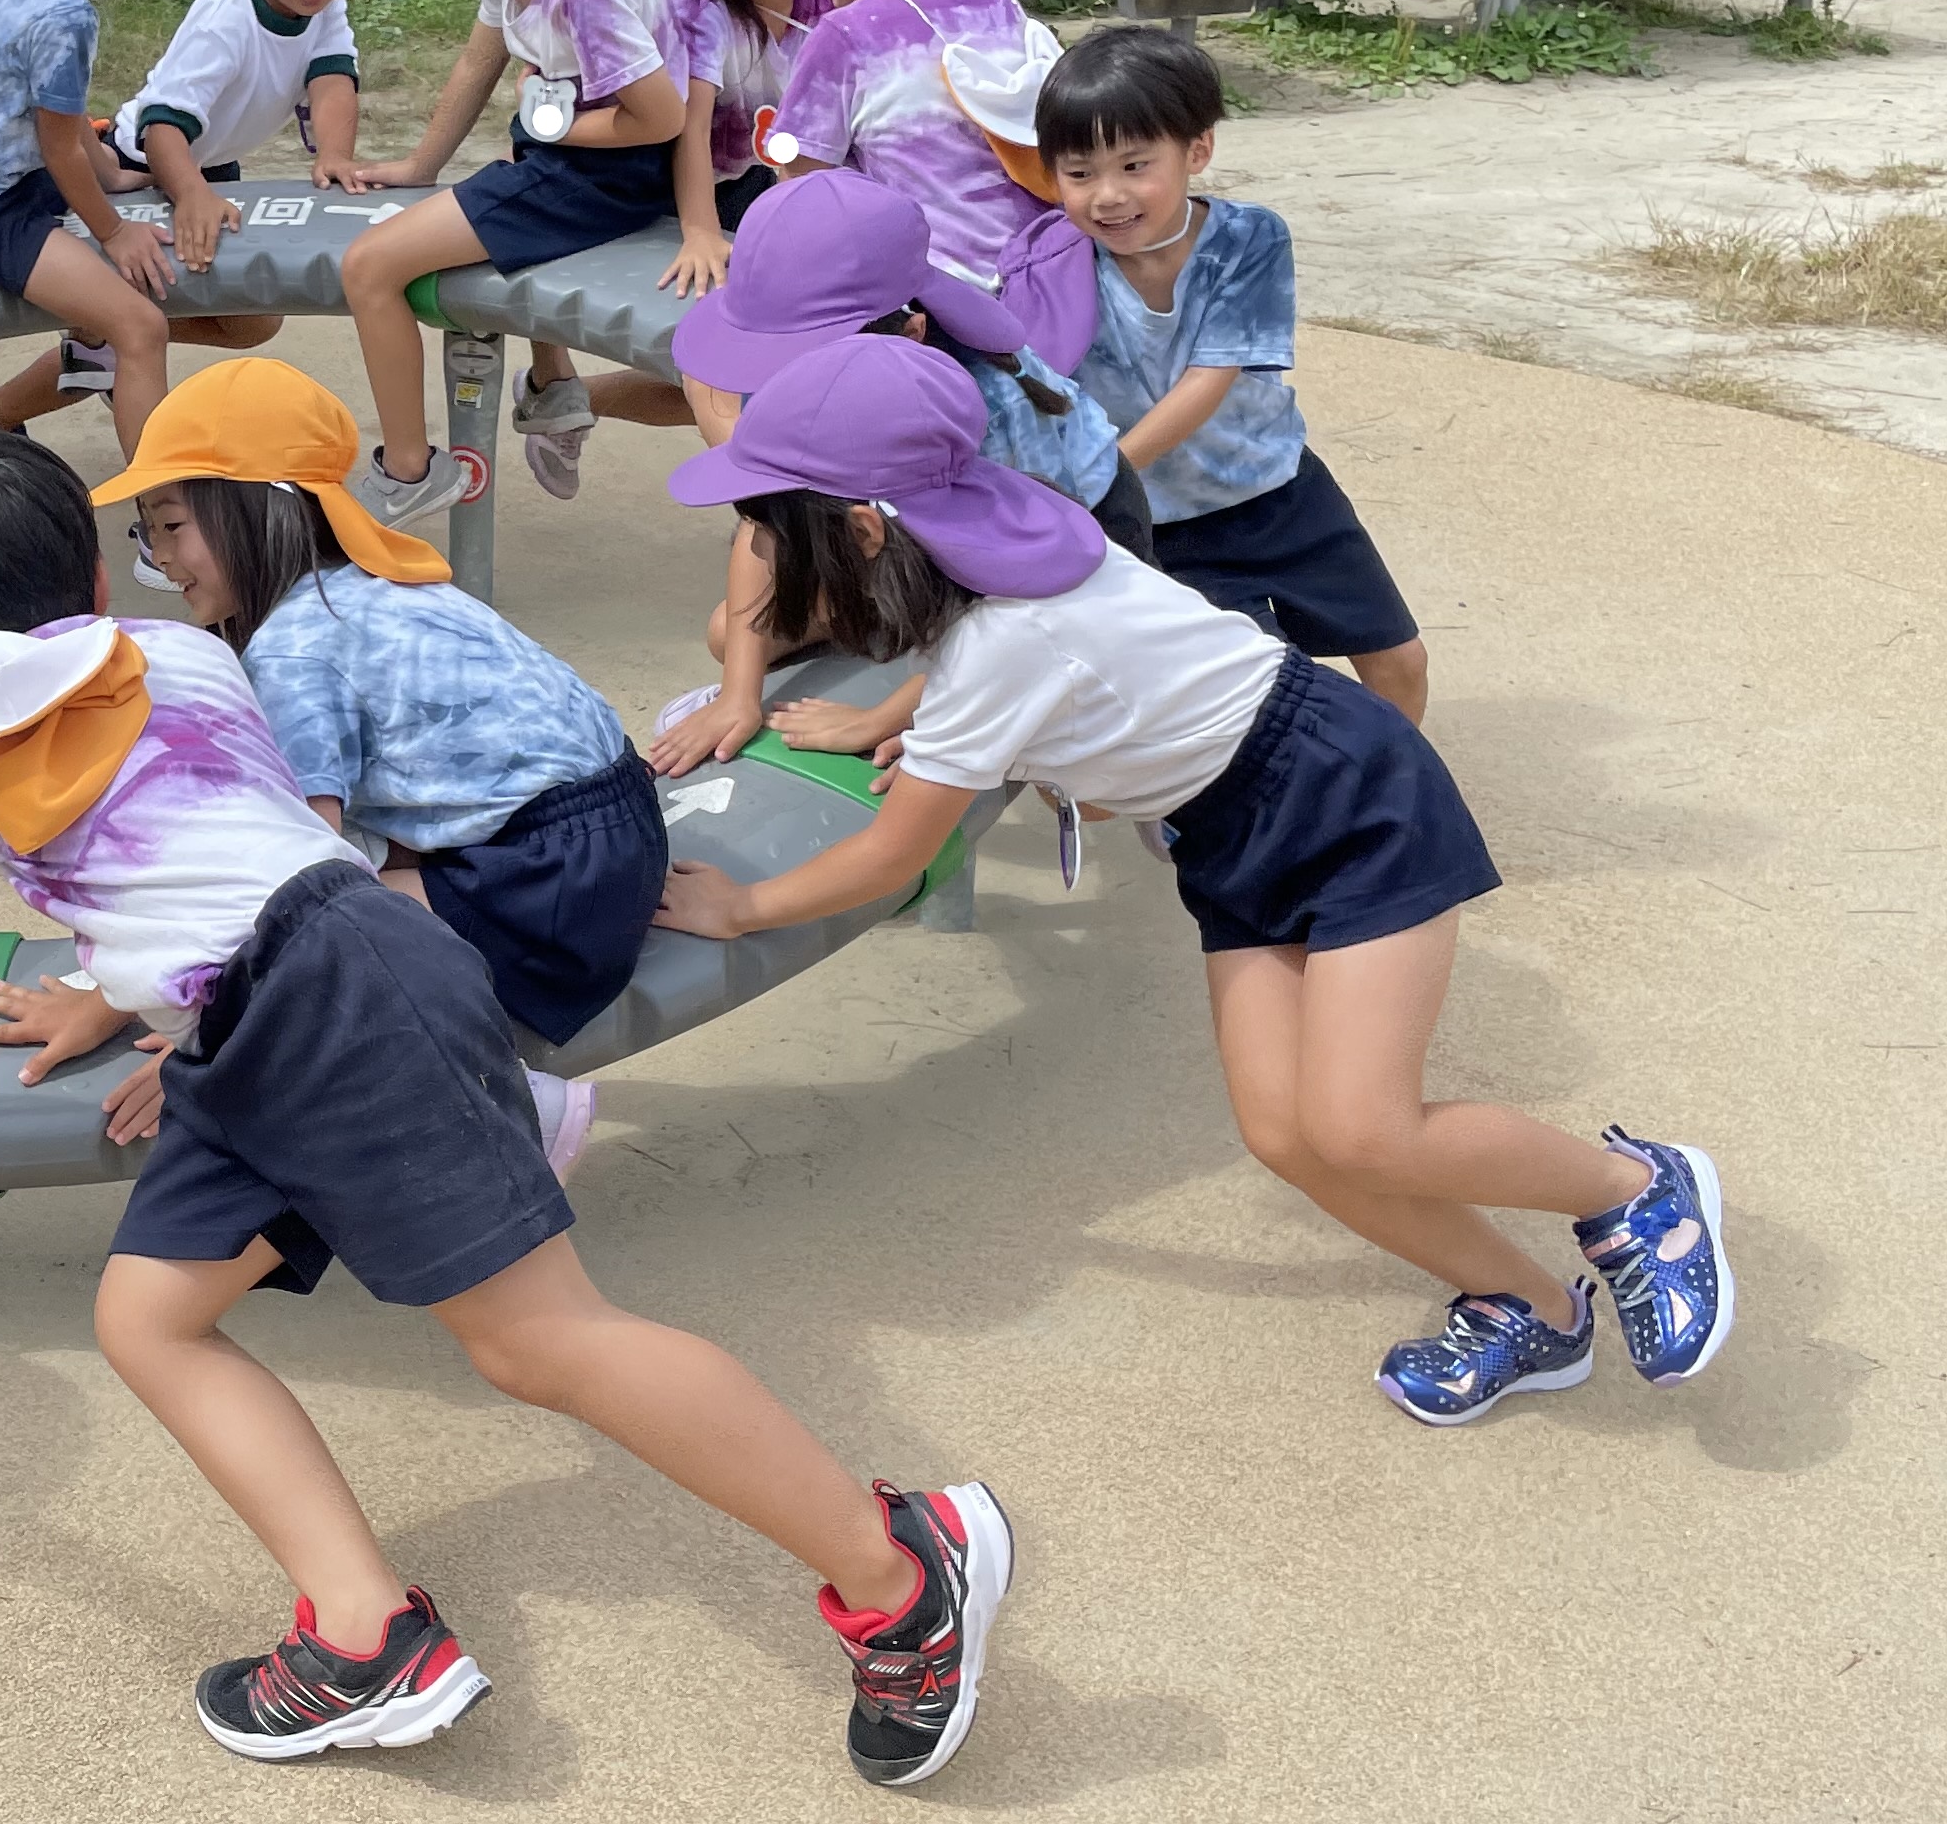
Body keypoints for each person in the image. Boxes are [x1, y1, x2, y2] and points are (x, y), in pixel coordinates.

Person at [0, 430, 1013, 1789]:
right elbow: (219, 852)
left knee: (542, 1344)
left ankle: (900, 1573)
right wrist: (127, 998)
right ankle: (367, 1633)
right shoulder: (178, 656)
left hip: (328, 1010)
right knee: (153, 1314)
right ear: (94, 586)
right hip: (285, 1004)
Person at [651, 337, 1733, 1427]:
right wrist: (902, 719)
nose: (757, 546)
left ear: (864, 528)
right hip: (1233, 824)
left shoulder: (1000, 650)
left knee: (1364, 1127)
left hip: (1348, 797)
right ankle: (1532, 1309)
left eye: (769, 524)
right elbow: (1003, 663)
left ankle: (1637, 1194)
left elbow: (894, 853)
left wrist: (736, 908)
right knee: (1283, 1131)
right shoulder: (1014, 523)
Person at [95, 358, 656, 1167]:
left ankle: (516, 1105)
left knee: (322, 947)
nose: (159, 555)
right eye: (147, 530)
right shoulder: (366, 581)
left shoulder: (292, 651)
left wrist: (195, 1026)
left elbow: (294, 883)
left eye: (173, 525)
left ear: (261, 514)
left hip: (559, 882)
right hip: (612, 825)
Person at [645, 169, 1146, 775]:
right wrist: (738, 697)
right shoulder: (792, 379)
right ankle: (909, 644)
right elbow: (767, 516)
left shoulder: (983, 419)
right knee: (733, 634)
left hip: (1069, 548)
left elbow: (1018, 611)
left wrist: (892, 715)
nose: (773, 378)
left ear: (913, 334)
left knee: (1075, 779)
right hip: (908, 537)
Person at [338, 0, 687, 524]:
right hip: (560, 151)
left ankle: (409, 470)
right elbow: (479, 57)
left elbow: (660, 120)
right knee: (491, 187)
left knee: (368, 268)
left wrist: (556, 130)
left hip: (605, 177)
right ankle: (555, 391)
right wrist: (422, 164)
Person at [1047, 25, 1431, 722]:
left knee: (1399, 660)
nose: (1106, 195)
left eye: (1134, 166)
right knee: (1246, 699)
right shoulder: (1050, 262)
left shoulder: (1249, 238)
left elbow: (1209, 378)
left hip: (1278, 490)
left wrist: (1102, 475)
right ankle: (1231, 826)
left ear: (1198, 150)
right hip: (1163, 527)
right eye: (1079, 173)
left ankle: (1395, 798)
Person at [0, 0, 350, 440]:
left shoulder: (322, 8)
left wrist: (334, 154)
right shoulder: (226, 17)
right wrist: (188, 192)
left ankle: (30, 387)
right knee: (146, 326)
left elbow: (332, 78)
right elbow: (164, 125)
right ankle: (4, 417)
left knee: (253, 319)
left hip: (208, 171)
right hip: (147, 169)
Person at [516, 0, 829, 495]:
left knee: (750, 383)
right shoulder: (701, 5)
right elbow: (688, 130)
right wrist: (696, 229)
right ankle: (777, 513)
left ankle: (570, 402)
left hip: (751, 182)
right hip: (663, 178)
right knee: (722, 381)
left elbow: (815, 126)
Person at [759, 0, 1099, 373]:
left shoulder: (850, 35)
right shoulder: (1002, 6)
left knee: (726, 378)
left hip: (926, 324)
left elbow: (802, 198)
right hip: (1042, 303)